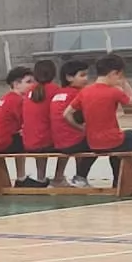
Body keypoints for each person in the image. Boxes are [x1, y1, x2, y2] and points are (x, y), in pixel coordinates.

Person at [68, 54, 132, 191]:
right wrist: (125, 84)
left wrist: (81, 128)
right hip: (112, 141)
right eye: (119, 75)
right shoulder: (113, 92)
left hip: (93, 141)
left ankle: (82, 176)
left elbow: (67, 113)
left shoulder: (85, 91)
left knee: (121, 142)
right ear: (114, 73)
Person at [0, 66, 33, 188]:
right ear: (16, 84)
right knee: (24, 141)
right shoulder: (17, 100)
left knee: (19, 138)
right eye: (28, 82)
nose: (32, 85)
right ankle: (21, 178)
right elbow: (25, 124)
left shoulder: (5, 98)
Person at [51, 59, 92, 187]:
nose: (86, 78)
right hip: (73, 141)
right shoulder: (79, 94)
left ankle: (58, 177)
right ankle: (80, 177)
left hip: (58, 141)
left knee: (71, 141)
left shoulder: (58, 93)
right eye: (82, 75)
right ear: (69, 77)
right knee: (97, 142)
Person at [18, 58, 57, 188]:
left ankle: (41, 178)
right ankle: (59, 177)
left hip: (28, 141)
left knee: (40, 136)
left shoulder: (30, 91)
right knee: (71, 140)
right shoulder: (54, 90)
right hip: (45, 141)